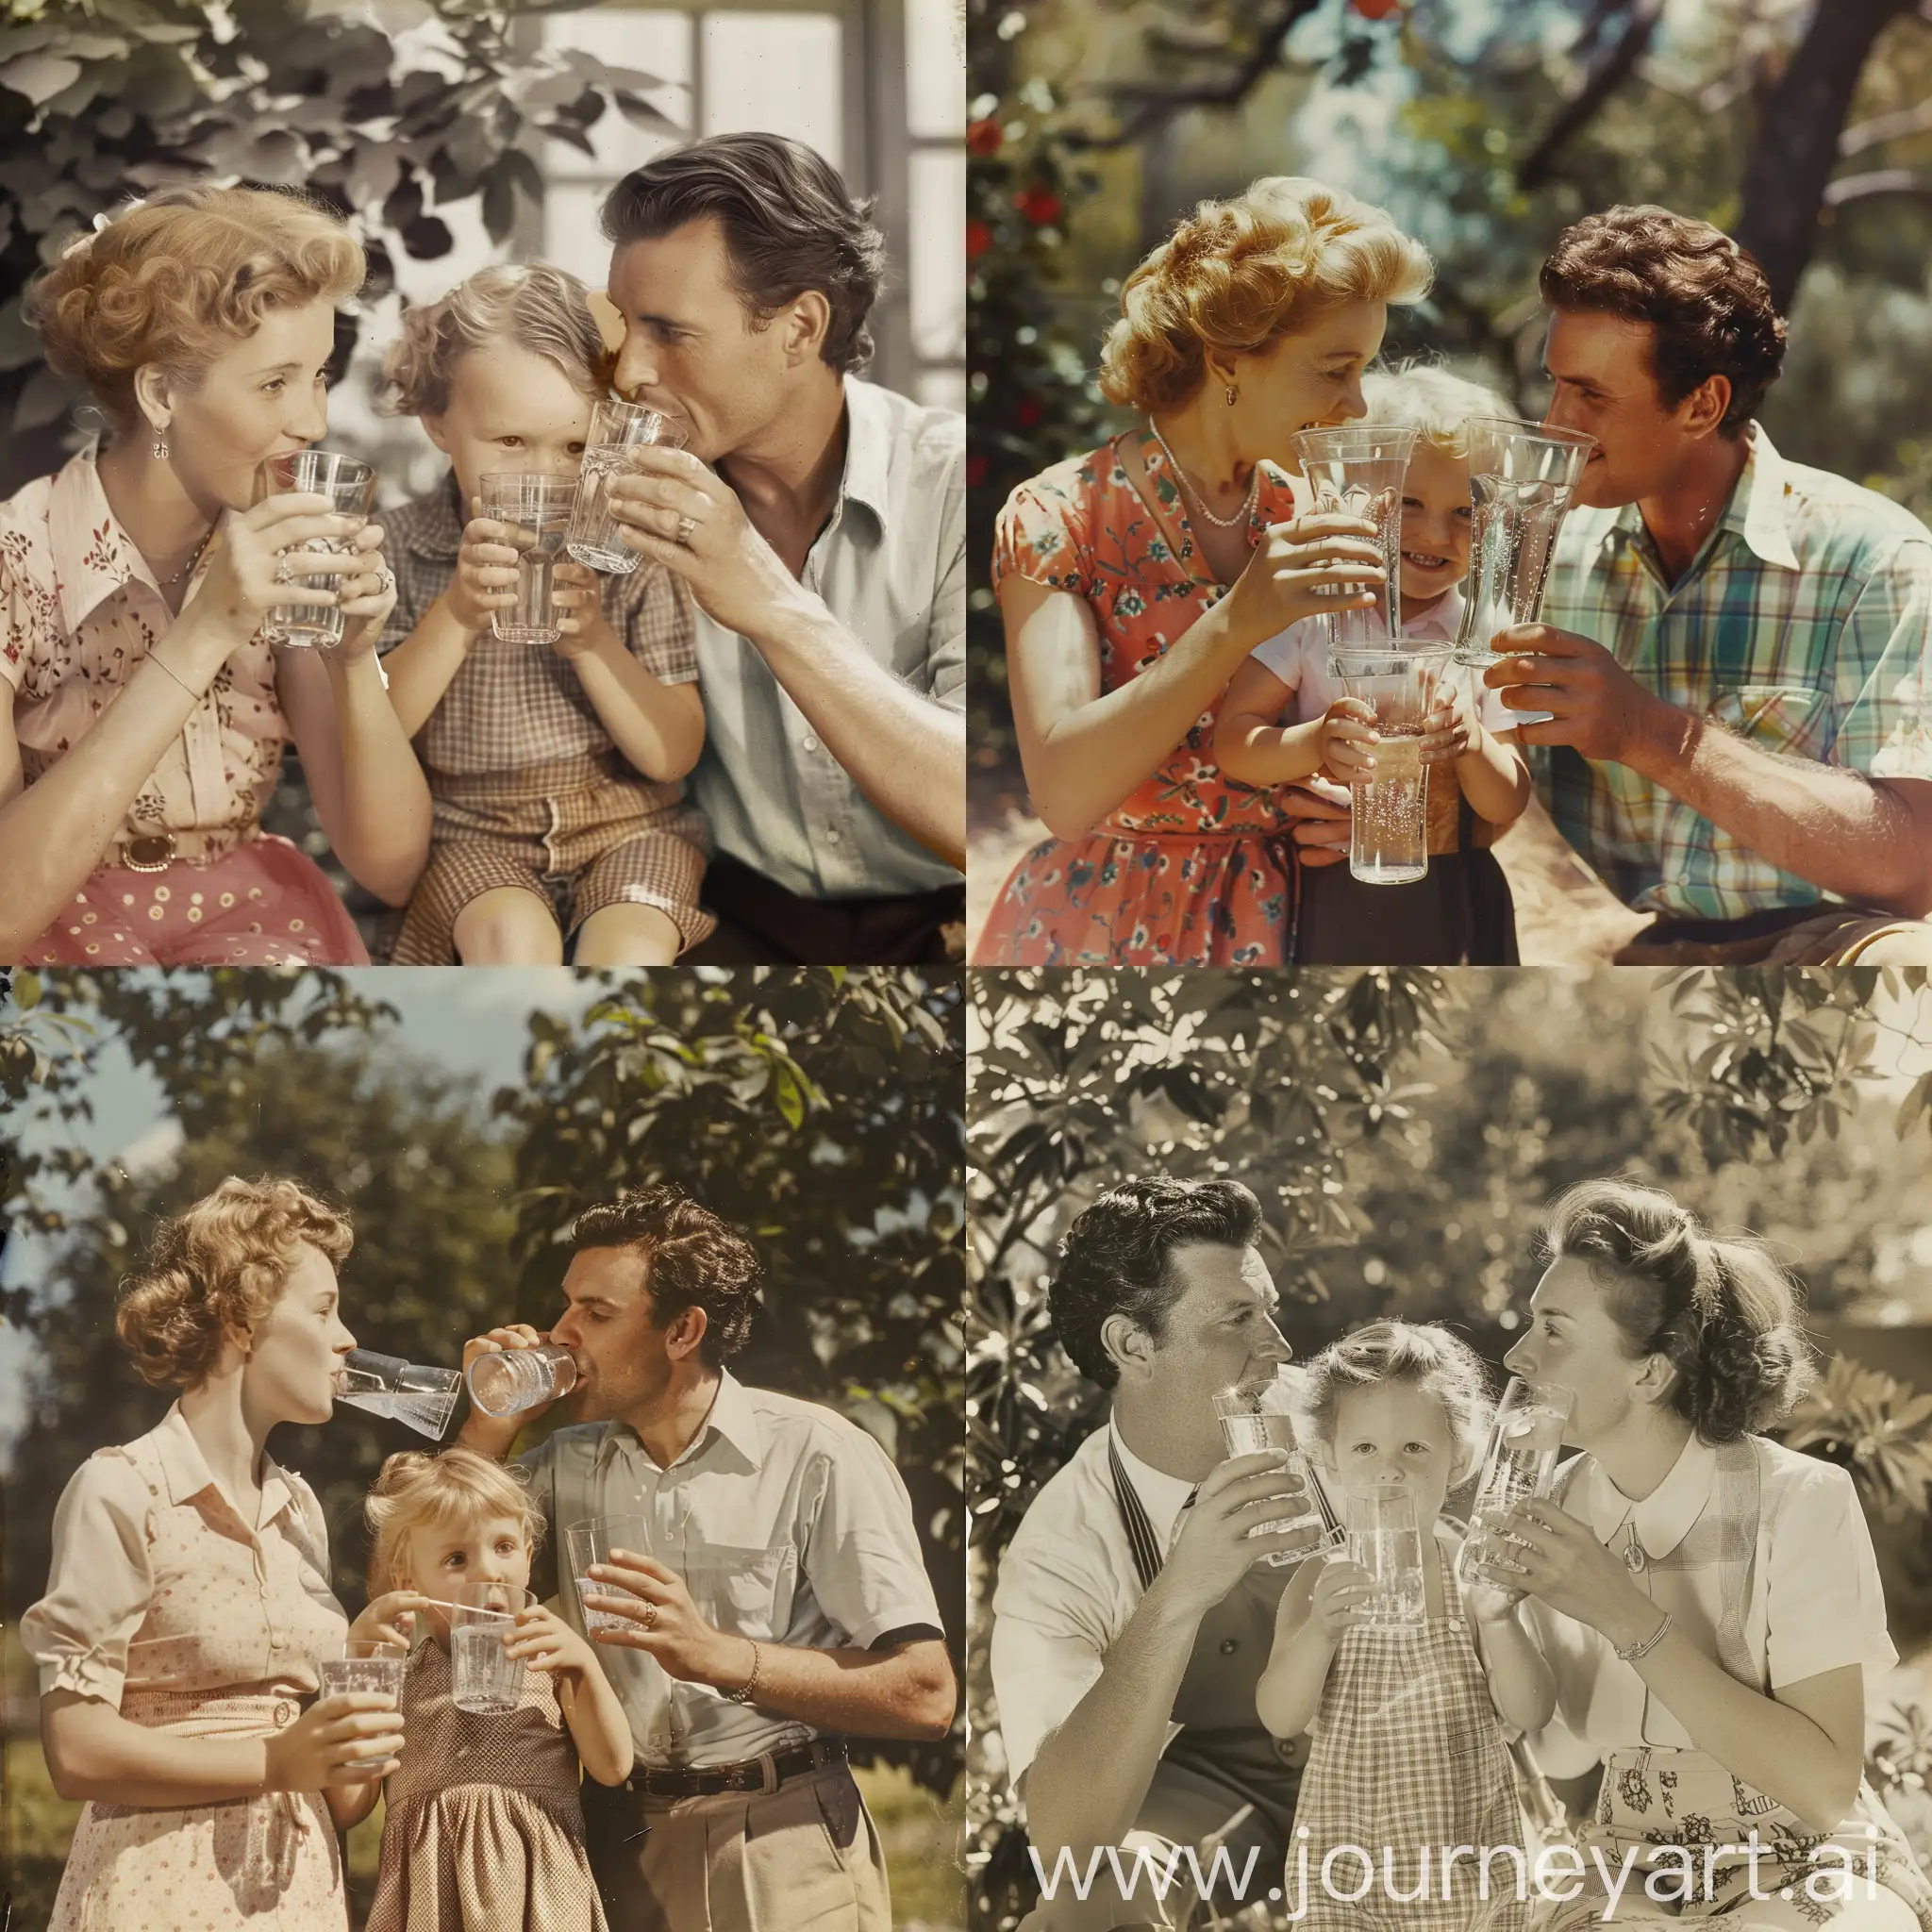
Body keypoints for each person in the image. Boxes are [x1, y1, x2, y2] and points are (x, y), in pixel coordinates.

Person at [454, 1183, 956, 1932]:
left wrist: (716, 1656)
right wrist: (489, 1426)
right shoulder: (562, 1463)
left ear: (683, 1330)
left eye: (595, 1314)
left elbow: (925, 1695)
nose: (561, 1334)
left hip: (781, 1839)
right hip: (612, 1841)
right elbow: (435, 1579)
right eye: (567, 1306)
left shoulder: (818, 1455)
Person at [971, 178, 1433, 967]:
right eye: (1334, 369)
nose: (1356, 406)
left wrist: (1353, 788)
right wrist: (1235, 620)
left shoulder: (1323, 513)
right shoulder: (1059, 516)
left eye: (1365, 371)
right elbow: (1066, 797)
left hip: (1306, 920)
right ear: (1228, 361)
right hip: (1104, 925)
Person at [1485, 206, 1932, 966]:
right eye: (1555, 385)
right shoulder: (1536, 549)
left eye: (1591, 395)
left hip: (1819, 944)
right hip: (1599, 943)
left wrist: (1648, 733)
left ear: (1703, 405)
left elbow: (1913, 867)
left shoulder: (1878, 560)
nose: (1557, 422)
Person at [0, 186, 432, 965]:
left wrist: (354, 659)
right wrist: (205, 631)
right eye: (275, 383)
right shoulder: (14, 562)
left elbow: (390, 867)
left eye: (320, 376)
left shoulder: (283, 548)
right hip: (54, 933)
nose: (313, 420)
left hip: (257, 927)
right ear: (163, 393)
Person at [1500, 1179, 1932, 1928]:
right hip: (1628, 1860)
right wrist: (1494, 1622)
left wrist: (1625, 1614)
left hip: (1806, 1856)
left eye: (1553, 1329)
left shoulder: (1799, 1500)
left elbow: (1824, 1788)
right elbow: (1566, 1756)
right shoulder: (1548, 1504)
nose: (1515, 1355)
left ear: (1649, 1372)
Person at [589, 134, 965, 963]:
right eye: (625, 326)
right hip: (728, 924)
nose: (629, 373)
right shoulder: (617, 496)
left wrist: (769, 602)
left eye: (671, 332)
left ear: (800, 327)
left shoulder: (959, 489)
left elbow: (975, 810)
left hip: (954, 924)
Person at [20, 1176, 426, 1931]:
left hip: (299, 1897)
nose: (347, 1338)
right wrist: (274, 1763)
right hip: (156, 1896)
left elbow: (338, 1796)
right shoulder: (121, 1488)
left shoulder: (300, 1507)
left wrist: (360, 1692)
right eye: (325, 1307)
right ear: (242, 1319)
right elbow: (74, 1749)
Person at [990, 1176, 1318, 1930]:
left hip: (1384, 1756)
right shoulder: (1060, 1547)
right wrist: (1177, 1596)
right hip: (1213, 1803)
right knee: (1078, 1913)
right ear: (1132, 1345)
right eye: (1239, 1318)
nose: (1279, 1346)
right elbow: (1065, 1840)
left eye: (1267, 1310)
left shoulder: (1345, 1420)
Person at [375, 264, 714, 966]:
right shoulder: (401, 549)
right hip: (473, 832)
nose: (547, 479)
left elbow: (672, 753)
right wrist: (458, 614)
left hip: (627, 823)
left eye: (575, 448)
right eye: (510, 443)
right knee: (511, 943)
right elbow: (377, 735)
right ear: (439, 422)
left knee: (629, 950)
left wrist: (592, 642)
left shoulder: (635, 553)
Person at [1214, 363, 1531, 962]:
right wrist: (1314, 742)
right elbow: (1234, 741)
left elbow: (1509, 800)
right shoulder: (1314, 614)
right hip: (1330, 884)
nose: (1437, 532)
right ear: (1362, 497)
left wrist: (1472, 745)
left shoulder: (1488, 630)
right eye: (1409, 502)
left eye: (1465, 512)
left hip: (1452, 890)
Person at [1257, 1321, 1549, 1929]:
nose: (1389, 1471)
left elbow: (1528, 1712)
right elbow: (1281, 1716)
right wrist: (1319, 1634)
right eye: (1364, 1448)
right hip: (1345, 1867)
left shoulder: (1473, 1574)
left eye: (1414, 1449)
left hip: (1467, 1857)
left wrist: (1498, 1622)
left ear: (1459, 1460)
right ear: (1330, 1461)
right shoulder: (1318, 1580)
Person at [360, 1446, 632, 1932]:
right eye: (457, 1557)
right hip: (431, 1900)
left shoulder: (549, 1661)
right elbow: (350, 1802)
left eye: (503, 1547)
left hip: (542, 1897)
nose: (488, 1570)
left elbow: (612, 1766)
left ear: (528, 1558)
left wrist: (584, 1666)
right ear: (408, 1578)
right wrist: (360, 1665)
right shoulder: (398, 1678)